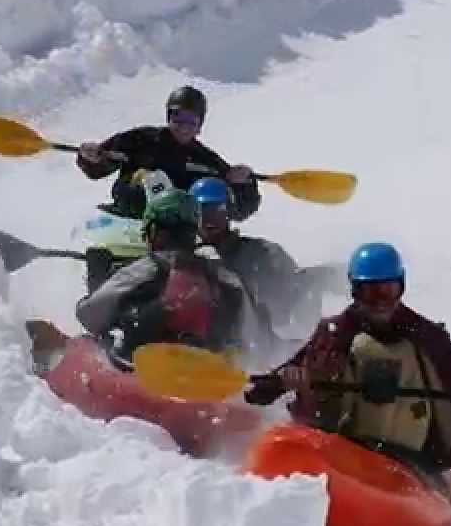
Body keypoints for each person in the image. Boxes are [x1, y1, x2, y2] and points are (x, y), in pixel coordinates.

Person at [245, 242, 451, 485]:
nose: (379, 303)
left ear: (401, 287)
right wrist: (285, 381)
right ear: (354, 291)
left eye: (387, 291)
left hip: (413, 460)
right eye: (369, 293)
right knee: (365, 350)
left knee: (390, 352)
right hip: (352, 450)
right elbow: (266, 389)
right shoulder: (334, 335)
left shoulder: (426, 336)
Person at [75, 172, 268, 364]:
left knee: (101, 338)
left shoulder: (145, 269)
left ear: (153, 232)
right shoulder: (223, 275)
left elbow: (90, 315)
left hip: (147, 371)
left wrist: (96, 280)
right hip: (210, 374)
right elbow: (252, 334)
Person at [75, 85, 260, 221]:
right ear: (168, 117)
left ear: (199, 125)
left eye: (191, 120)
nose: (183, 126)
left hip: (178, 236)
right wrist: (91, 158)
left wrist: (245, 184)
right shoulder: (141, 139)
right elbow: (98, 167)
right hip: (128, 221)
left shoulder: (206, 161)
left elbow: (239, 209)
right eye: (178, 117)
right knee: (151, 178)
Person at [190, 176, 314, 328]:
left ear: (229, 211)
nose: (209, 220)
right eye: (202, 212)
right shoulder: (186, 260)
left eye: (217, 210)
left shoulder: (264, 253)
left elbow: (295, 299)